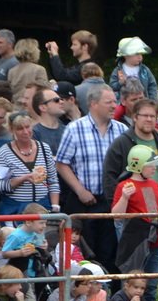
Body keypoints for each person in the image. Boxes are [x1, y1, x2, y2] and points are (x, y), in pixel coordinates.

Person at [55, 83, 128, 269]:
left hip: (113, 202)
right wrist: (79, 190)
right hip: (85, 202)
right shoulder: (74, 129)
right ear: (93, 104)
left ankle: (108, 294)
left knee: (111, 252)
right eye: (109, 102)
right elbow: (61, 163)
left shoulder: (122, 130)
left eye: (115, 101)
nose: (114, 106)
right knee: (85, 252)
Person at [111, 146, 158, 301]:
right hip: (136, 243)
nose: (154, 168)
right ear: (138, 165)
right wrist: (124, 197)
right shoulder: (125, 186)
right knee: (133, 281)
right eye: (150, 165)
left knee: (152, 282)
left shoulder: (154, 185)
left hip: (156, 241)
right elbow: (116, 215)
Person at [102, 97, 158, 202]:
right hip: (130, 206)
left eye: (152, 116)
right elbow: (109, 177)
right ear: (135, 117)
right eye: (145, 115)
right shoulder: (121, 143)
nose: (149, 119)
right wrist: (118, 205)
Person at [0, 111, 59, 214]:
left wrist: (55, 206)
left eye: (27, 127)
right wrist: (23, 178)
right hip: (16, 208)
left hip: (42, 206)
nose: (25, 132)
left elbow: (53, 180)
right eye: (20, 129)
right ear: (12, 130)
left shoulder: (44, 148)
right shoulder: (4, 153)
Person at [109, 37, 157, 103]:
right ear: (126, 55)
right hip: (124, 105)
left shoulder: (145, 70)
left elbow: (152, 85)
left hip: (143, 104)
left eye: (141, 54)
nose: (140, 57)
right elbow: (112, 88)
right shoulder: (118, 71)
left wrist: (152, 101)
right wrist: (120, 83)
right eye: (136, 54)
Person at [30, 85, 67, 153]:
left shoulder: (67, 130)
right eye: (56, 100)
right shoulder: (34, 133)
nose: (61, 102)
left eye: (61, 99)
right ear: (43, 107)